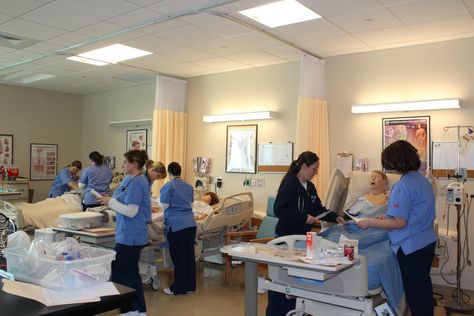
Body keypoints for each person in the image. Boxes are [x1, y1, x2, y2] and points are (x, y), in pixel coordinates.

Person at [357, 140, 436, 316]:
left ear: (397, 161)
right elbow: (413, 213)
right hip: (426, 242)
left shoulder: (403, 185)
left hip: (411, 248)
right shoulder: (422, 180)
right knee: (422, 290)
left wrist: (369, 222)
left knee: (417, 294)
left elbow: (400, 223)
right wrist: (388, 217)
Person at [267, 151, 345, 316]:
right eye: (314, 169)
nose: (316, 172)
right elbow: (279, 210)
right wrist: (303, 217)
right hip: (286, 238)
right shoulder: (289, 184)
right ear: (304, 167)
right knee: (282, 278)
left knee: (296, 278)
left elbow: (318, 208)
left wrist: (335, 216)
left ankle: (295, 309)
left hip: (302, 239)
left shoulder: (310, 187)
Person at [96, 150, 150, 316]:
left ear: (134, 164)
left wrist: (110, 202)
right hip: (128, 234)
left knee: (120, 271)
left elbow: (132, 211)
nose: (122, 165)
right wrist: (109, 199)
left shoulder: (138, 182)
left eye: (125, 162)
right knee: (131, 273)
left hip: (132, 236)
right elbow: (121, 197)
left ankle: (131, 310)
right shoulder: (130, 179)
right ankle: (139, 309)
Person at [160, 162, 197, 295]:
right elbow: (191, 205)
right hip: (190, 224)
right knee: (189, 256)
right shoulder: (188, 186)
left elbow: (163, 206)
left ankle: (178, 288)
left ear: (169, 173)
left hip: (176, 225)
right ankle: (190, 287)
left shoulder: (168, 186)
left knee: (178, 257)